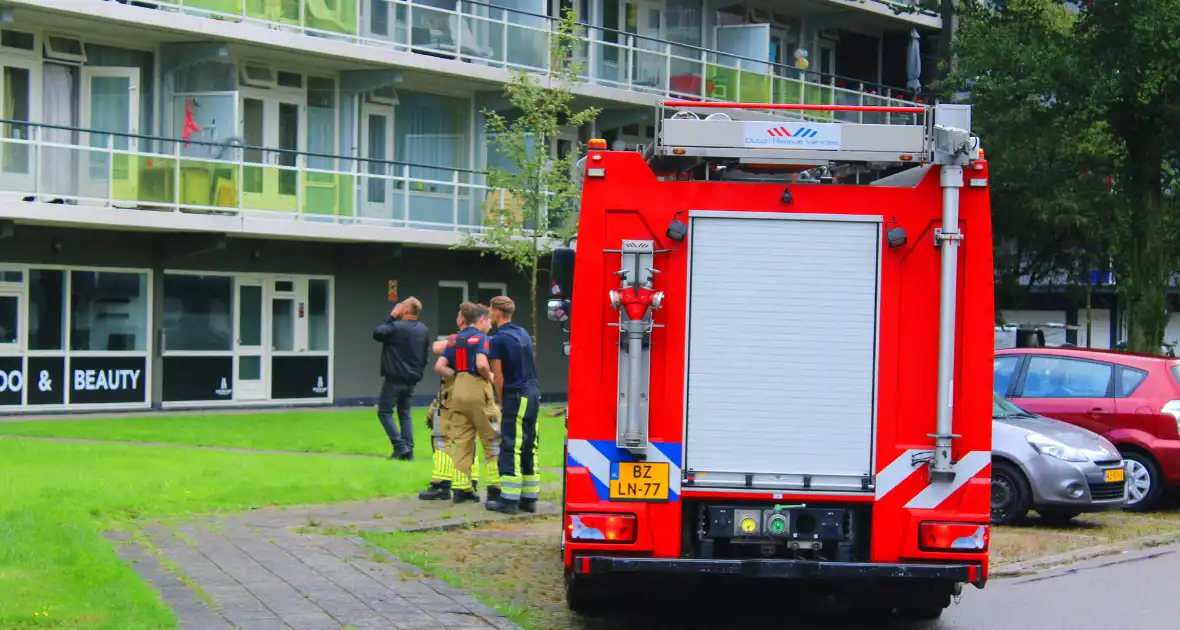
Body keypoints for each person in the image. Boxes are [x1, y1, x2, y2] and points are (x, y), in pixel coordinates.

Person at [417, 331, 498, 501]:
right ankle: (472, 484)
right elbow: (437, 347)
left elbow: (438, 354)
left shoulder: (459, 341)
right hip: (473, 393)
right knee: (476, 438)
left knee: (447, 437)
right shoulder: (479, 342)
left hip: (452, 394)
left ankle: (443, 483)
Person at [435, 303, 502, 504]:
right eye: (488, 321)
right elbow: (481, 363)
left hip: (458, 392)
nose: (490, 324)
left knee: (463, 442)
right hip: (478, 391)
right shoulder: (482, 339)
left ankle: (461, 489)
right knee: (492, 439)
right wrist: (490, 377)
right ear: (480, 320)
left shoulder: (455, 340)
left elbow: (440, 367)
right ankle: (495, 488)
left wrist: (457, 376)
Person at [485, 296, 542, 515]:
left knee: (510, 446)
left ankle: (508, 500)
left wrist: (500, 401)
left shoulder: (498, 339)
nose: (489, 314)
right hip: (533, 393)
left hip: (516, 395)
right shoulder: (523, 333)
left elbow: (498, 376)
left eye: (490, 310)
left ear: (497, 312)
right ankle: (529, 498)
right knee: (529, 444)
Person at [372, 297, 431, 460]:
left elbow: (377, 333)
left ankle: (400, 446)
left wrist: (391, 316)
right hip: (413, 378)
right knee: (405, 413)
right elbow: (425, 356)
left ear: (404, 311)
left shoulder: (395, 327)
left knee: (384, 412)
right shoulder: (423, 329)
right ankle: (409, 451)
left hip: (394, 377)